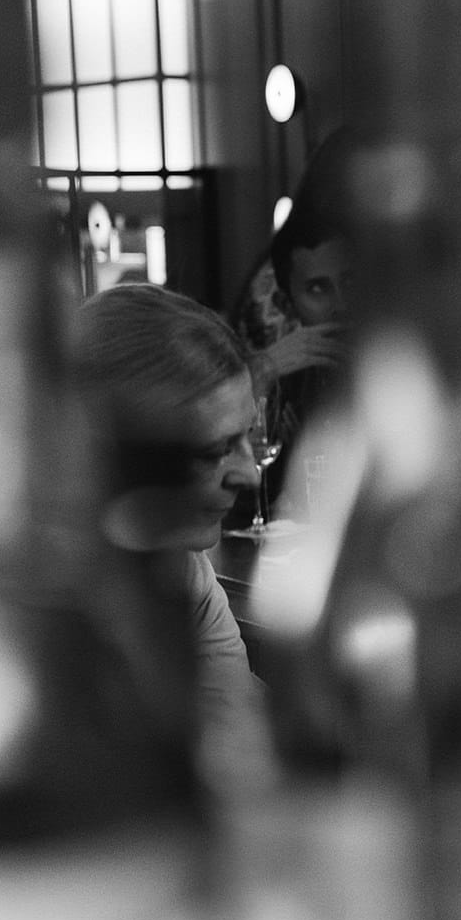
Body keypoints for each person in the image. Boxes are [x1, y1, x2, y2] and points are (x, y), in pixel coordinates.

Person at [72, 282, 279, 798]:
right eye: (215, 451)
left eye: (247, 439)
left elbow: (241, 729)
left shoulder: (182, 567)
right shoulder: (26, 604)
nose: (249, 475)